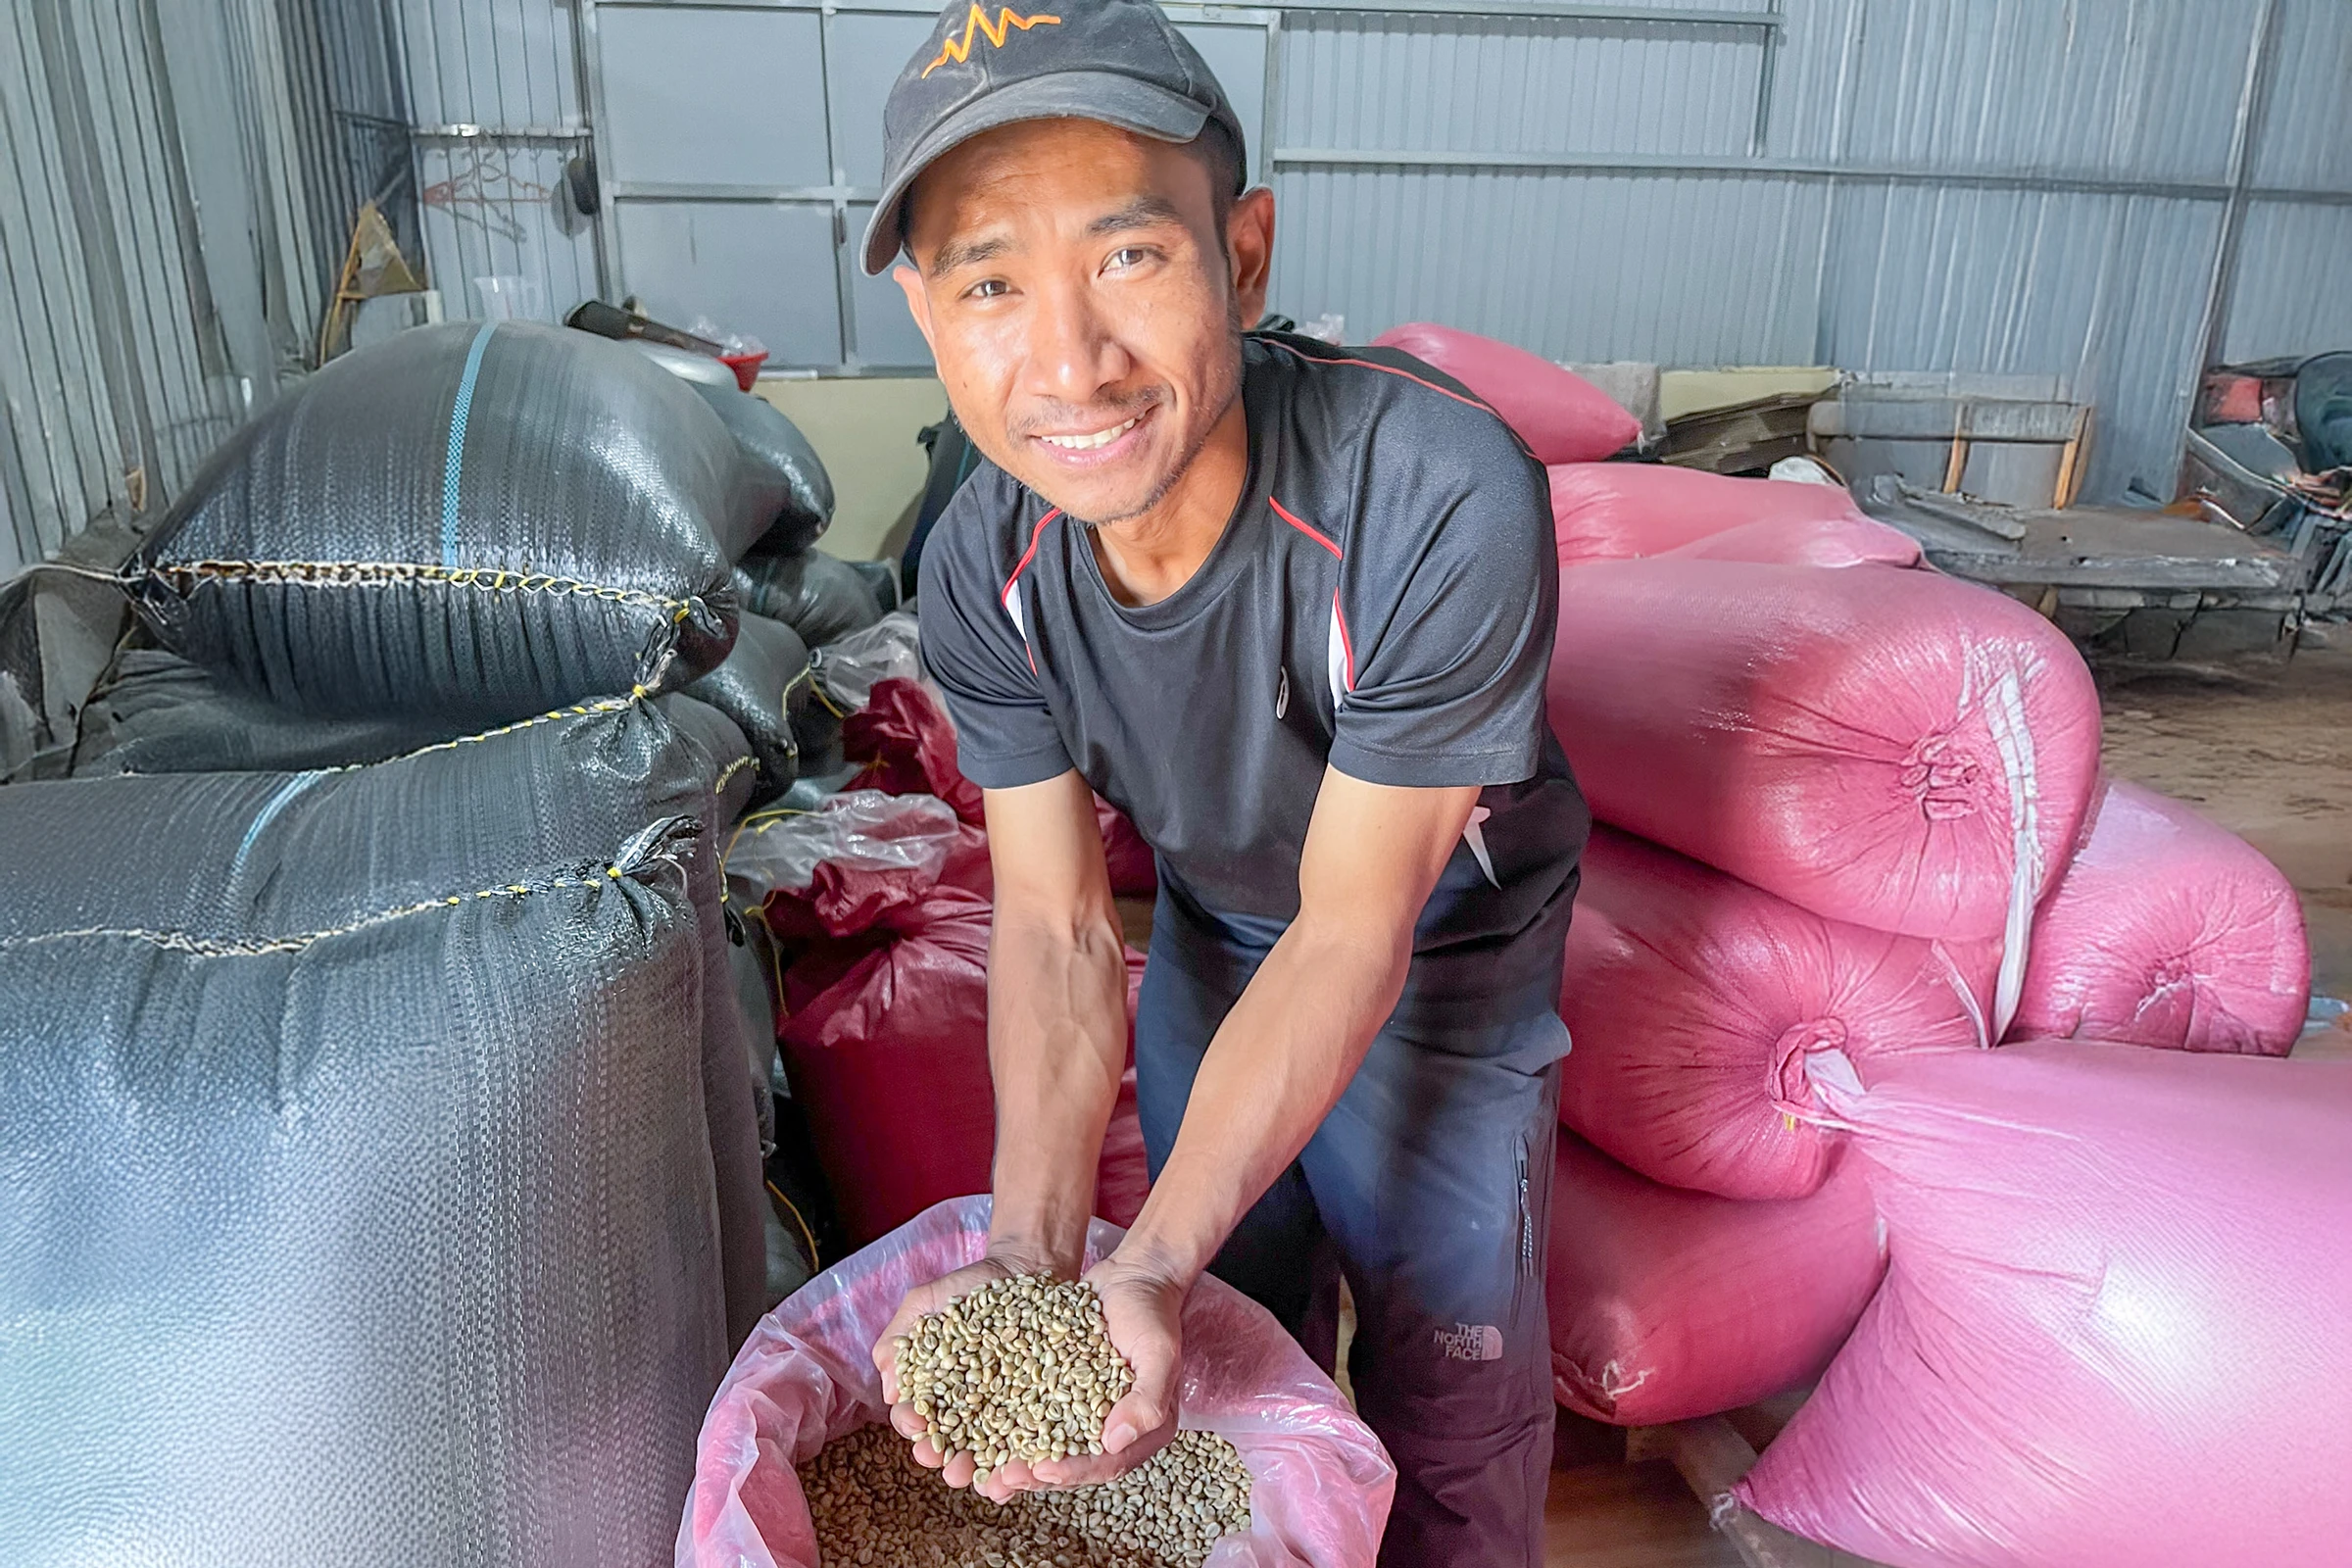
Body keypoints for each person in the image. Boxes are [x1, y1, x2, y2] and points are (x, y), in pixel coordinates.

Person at [860, 2, 1588, 1560]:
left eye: (1128, 257)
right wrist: (1042, 1259)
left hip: (1439, 952)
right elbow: (1056, 931)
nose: (1070, 363)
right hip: (1215, 921)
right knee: (1215, 1322)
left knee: (1443, 1375)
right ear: (930, 317)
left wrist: (1151, 1250)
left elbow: (1352, 935)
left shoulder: (1433, 495)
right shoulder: (985, 558)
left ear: (1243, 254)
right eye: (991, 284)